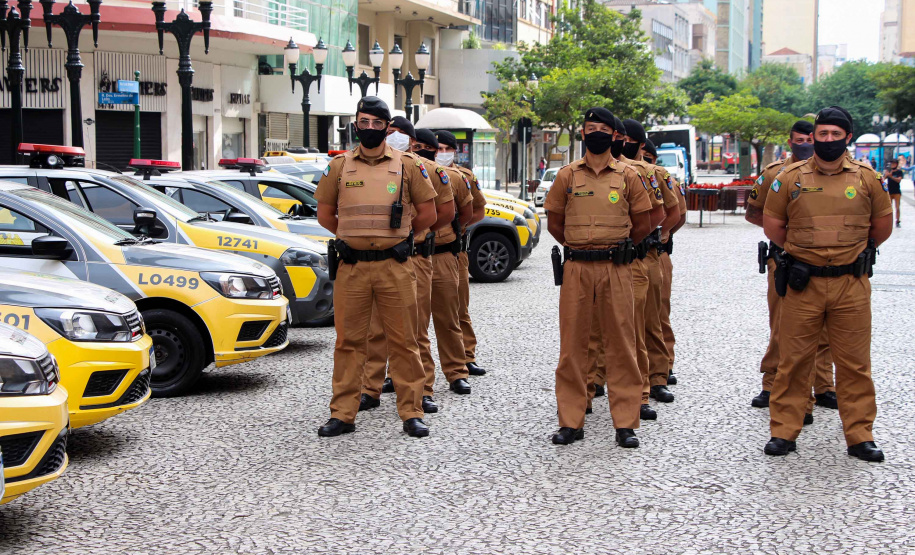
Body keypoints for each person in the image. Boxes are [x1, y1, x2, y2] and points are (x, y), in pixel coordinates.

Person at [762, 106, 893, 461]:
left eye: (837, 134)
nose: (829, 140)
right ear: (815, 135)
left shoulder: (867, 178)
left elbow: (882, 226)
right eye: (823, 134)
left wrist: (851, 254)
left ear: (848, 137)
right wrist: (804, 252)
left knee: (854, 364)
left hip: (850, 283)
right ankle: (784, 432)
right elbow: (773, 224)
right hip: (804, 283)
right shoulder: (789, 177)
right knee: (793, 361)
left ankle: (860, 435)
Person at [314, 97, 438, 438]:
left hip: (394, 266)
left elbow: (430, 213)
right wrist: (347, 237)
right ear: (355, 124)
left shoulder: (408, 165)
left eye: (376, 123)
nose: (369, 128)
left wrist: (407, 238)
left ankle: (411, 412)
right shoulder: (339, 167)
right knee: (348, 343)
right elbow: (325, 213)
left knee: (404, 342)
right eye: (363, 122)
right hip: (352, 266)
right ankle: (343, 413)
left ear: (387, 127)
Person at [544, 107, 653, 447]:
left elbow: (644, 223)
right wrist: (579, 246)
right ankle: (571, 421)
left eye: (602, 128)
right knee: (573, 347)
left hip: (616, 267)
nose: (596, 133)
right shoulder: (566, 176)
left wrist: (614, 247)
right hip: (576, 267)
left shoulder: (628, 175)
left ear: (613, 135)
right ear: (582, 134)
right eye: (590, 128)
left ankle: (624, 423)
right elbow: (554, 222)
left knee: (620, 344)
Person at [745, 120, 837, 420]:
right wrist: (783, 232)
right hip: (784, 259)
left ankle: (823, 386)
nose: (807, 143)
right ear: (791, 141)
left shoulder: (833, 172)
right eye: (800, 139)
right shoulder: (775, 172)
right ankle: (772, 383)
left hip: (825, 263)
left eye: (811, 138)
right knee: (782, 324)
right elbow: (753, 212)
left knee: (823, 328)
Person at [362, 115, 418, 402]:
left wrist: (406, 237)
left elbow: (437, 213)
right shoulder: (365, 167)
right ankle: (371, 387)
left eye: (398, 132)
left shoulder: (416, 167)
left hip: (413, 254)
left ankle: (420, 394)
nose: (391, 136)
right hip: (379, 258)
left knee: (410, 331)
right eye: (390, 131)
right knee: (374, 331)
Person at [435, 130, 489, 377]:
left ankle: (467, 357)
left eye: (447, 148)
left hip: (454, 250)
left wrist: (459, 227)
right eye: (439, 148)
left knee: (459, 309)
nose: (442, 153)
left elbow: (478, 210)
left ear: (455, 151)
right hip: (421, 252)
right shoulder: (414, 171)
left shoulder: (464, 176)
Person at [643, 139, 687, 387]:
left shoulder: (662, 176)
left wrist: (661, 234)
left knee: (659, 314)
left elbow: (678, 214)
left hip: (657, 253)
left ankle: (663, 367)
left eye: (647, 155)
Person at [885, 158, 903, 227]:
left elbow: (899, 180)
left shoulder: (899, 172)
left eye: (894, 163)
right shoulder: (889, 172)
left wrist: (891, 176)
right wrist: (886, 175)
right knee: (889, 208)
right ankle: (889, 222)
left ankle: (897, 221)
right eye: (891, 163)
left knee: (897, 207)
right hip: (889, 192)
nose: (892, 165)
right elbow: (883, 180)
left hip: (897, 192)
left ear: (896, 164)